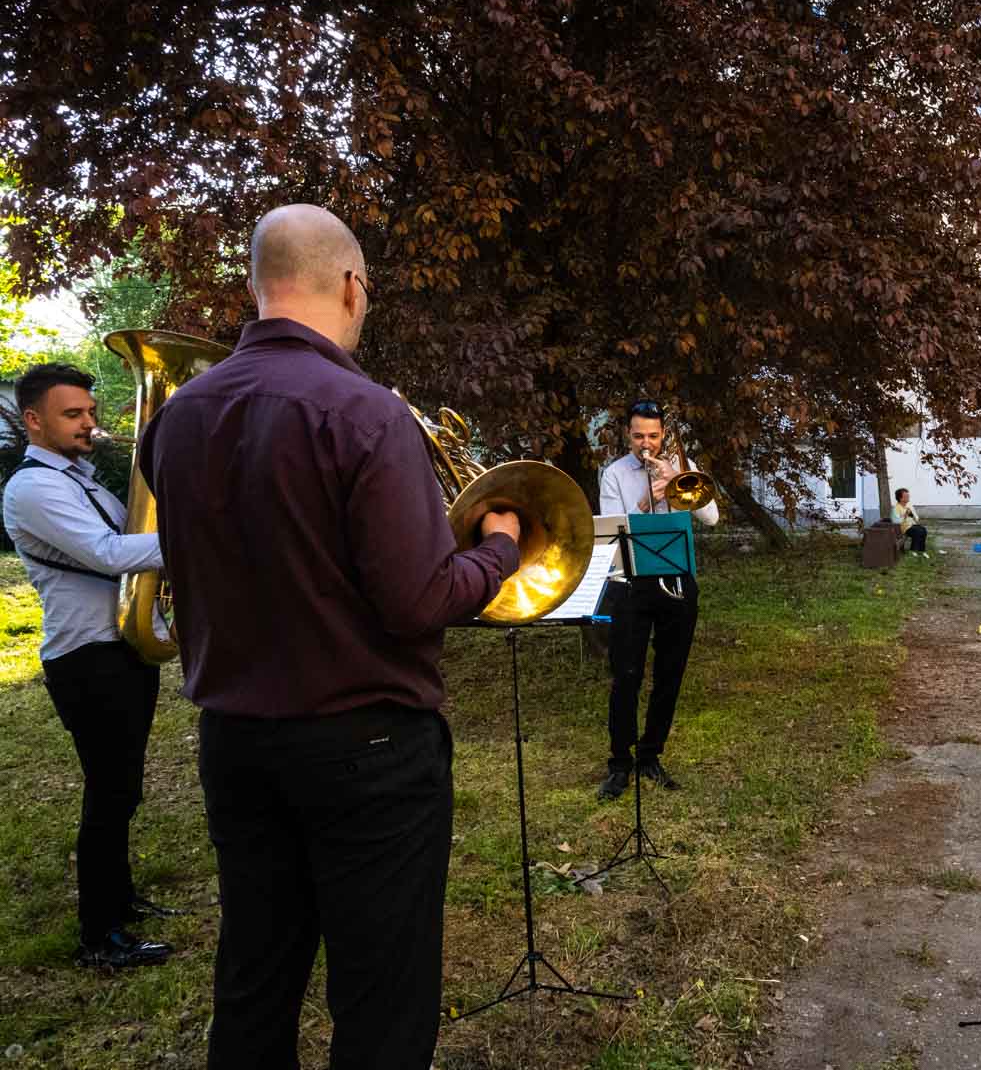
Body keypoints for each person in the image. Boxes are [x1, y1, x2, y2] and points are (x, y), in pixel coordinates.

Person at [140, 204, 522, 1070]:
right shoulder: (367, 413)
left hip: (234, 743)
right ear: (353, 286)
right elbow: (419, 600)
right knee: (382, 999)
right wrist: (499, 546)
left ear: (256, 287)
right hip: (366, 751)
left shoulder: (177, 416)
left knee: (254, 980)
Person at [2, 363, 179, 969]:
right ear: (33, 420)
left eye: (90, 412)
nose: (89, 423)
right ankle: (99, 936)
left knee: (123, 789)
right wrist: (201, 534)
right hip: (87, 659)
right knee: (109, 793)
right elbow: (107, 554)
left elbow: (134, 533)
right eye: (72, 414)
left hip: (120, 648)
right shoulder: (34, 488)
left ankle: (120, 901)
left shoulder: (83, 482)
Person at [595, 400, 720, 800]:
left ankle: (651, 755)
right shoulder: (614, 474)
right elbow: (613, 531)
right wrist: (649, 499)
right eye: (638, 436)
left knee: (670, 673)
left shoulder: (681, 464)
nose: (645, 444)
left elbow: (712, 518)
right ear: (627, 435)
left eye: (652, 435)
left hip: (676, 581)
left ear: (663, 434)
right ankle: (619, 763)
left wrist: (677, 477)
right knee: (626, 675)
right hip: (630, 584)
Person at [893, 488, 927, 555]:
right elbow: (897, 521)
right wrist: (905, 515)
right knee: (917, 531)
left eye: (908, 495)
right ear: (901, 498)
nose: (908, 497)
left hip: (912, 525)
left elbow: (916, 518)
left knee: (923, 530)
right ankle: (913, 551)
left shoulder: (908, 505)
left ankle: (921, 550)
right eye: (906, 496)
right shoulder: (896, 508)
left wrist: (911, 514)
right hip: (904, 528)